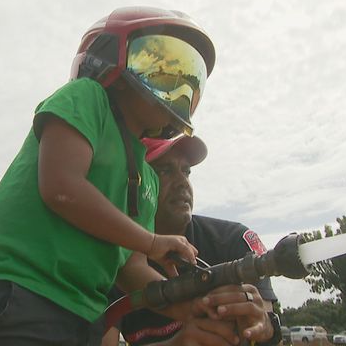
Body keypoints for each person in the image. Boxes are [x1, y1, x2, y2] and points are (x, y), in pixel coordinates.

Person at [0, 6, 216, 346]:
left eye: (189, 78)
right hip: (15, 292)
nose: (177, 87)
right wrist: (152, 242)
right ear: (108, 56)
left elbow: (130, 268)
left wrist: (193, 308)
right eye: (159, 64)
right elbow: (62, 187)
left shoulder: (147, 178)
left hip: (81, 316)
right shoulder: (87, 98)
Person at [102, 136, 282, 346]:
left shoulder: (234, 241)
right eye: (164, 171)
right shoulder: (112, 262)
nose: (182, 182)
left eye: (186, 171)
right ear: (133, 185)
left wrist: (266, 327)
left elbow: (267, 328)